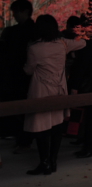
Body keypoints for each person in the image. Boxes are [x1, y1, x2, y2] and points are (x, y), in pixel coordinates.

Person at [23, 14, 86, 175]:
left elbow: (28, 70)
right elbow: (83, 43)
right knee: (56, 126)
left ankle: (44, 162)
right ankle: (53, 160)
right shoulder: (63, 44)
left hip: (41, 90)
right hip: (59, 89)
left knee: (42, 127)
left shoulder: (34, 48)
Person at [0, 0, 36, 152]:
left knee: (22, 108)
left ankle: (23, 139)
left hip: (21, 74)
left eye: (16, 12)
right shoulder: (31, 30)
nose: (14, 15)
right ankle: (21, 138)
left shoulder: (17, 31)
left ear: (25, 12)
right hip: (18, 74)